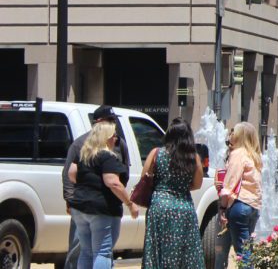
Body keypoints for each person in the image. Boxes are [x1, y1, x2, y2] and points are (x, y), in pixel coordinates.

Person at [67, 120, 137, 269]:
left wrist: (87, 183)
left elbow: (71, 174)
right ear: (106, 137)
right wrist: (130, 204)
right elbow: (113, 182)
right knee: (102, 252)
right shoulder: (107, 157)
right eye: (113, 135)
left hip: (79, 208)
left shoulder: (83, 155)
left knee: (86, 252)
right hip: (101, 210)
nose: (116, 139)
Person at [62, 105, 120, 268]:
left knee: (94, 250)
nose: (112, 125)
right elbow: (68, 173)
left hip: (102, 204)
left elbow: (124, 170)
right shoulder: (80, 144)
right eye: (109, 121)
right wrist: (70, 199)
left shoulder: (117, 142)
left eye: (113, 121)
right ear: (98, 123)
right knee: (88, 249)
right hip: (88, 205)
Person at [142, 118, 205, 268]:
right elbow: (197, 184)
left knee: (158, 250)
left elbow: (144, 178)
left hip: (159, 207)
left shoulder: (156, 153)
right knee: (185, 253)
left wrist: (163, 186)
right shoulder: (193, 157)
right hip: (184, 208)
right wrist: (180, 186)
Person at [220, 122, 263, 266]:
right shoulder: (254, 156)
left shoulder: (238, 154)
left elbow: (229, 183)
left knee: (243, 254)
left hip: (239, 205)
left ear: (240, 136)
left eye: (234, 132)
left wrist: (223, 209)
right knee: (247, 251)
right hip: (253, 207)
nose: (231, 135)